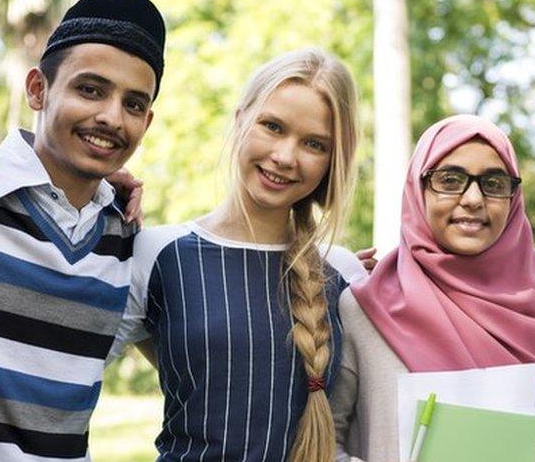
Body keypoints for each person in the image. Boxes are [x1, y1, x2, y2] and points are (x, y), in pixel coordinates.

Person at [120, 48, 366, 462]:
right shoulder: (156, 253)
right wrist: (87, 194)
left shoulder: (344, 275)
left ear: (332, 160)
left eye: (314, 144)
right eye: (272, 126)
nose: (285, 157)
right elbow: (59, 370)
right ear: (239, 121)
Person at [0, 0, 164, 460]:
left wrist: (319, 277)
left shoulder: (125, 239)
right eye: (90, 90)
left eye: (133, 105)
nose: (111, 117)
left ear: (146, 121)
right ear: (38, 90)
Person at [330, 114, 535, 462]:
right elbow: (323, 439)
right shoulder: (364, 308)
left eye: (494, 183)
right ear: (417, 189)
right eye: (450, 179)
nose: (472, 198)